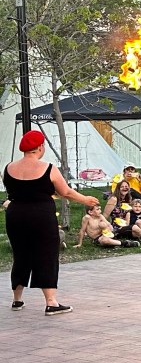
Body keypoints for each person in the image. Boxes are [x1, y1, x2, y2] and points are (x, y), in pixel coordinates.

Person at [5, 129, 99, 314]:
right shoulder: (48, 168)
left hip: (15, 215)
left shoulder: (8, 168)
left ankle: (17, 300)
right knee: (46, 255)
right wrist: (85, 200)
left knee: (21, 255)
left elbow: (16, 189)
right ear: (40, 147)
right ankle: (51, 302)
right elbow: (66, 192)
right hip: (41, 215)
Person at [75, 206, 139, 249]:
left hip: (107, 234)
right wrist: (80, 243)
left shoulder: (100, 216)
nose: (100, 211)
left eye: (100, 209)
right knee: (104, 240)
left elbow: (109, 225)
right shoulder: (87, 218)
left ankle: (140, 238)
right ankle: (124, 243)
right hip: (98, 238)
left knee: (132, 228)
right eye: (97, 209)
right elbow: (82, 230)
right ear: (90, 212)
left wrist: (106, 227)